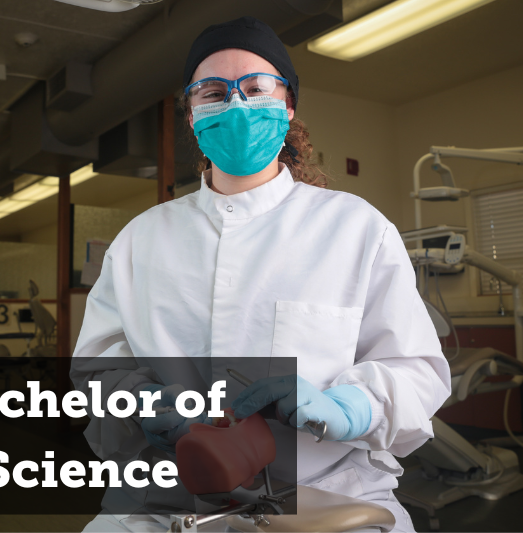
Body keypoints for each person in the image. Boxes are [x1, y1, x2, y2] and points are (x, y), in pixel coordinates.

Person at [71, 16, 451, 532]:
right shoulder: (141, 240)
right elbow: (97, 370)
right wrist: (138, 403)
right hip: (166, 503)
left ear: (288, 106)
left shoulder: (356, 227)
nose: (236, 106)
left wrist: (347, 406)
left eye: (256, 88)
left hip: (330, 495)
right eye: (212, 92)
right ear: (191, 114)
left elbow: (416, 370)